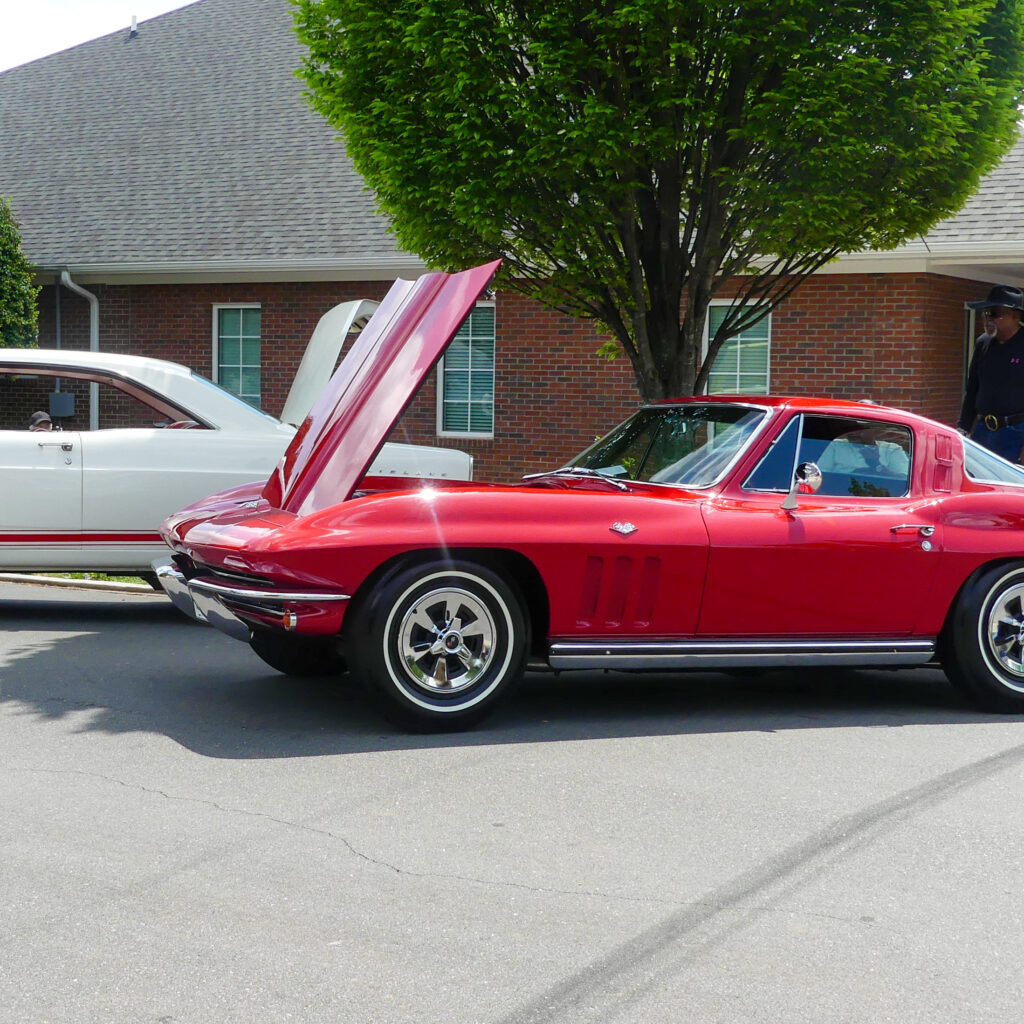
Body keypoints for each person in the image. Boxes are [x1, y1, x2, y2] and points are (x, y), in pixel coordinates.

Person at [959, 284, 1024, 462]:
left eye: (995, 313)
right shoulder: (983, 342)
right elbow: (972, 389)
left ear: (1015, 316)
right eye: (986, 313)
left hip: (1016, 432)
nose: (988, 318)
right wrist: (963, 429)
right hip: (982, 430)